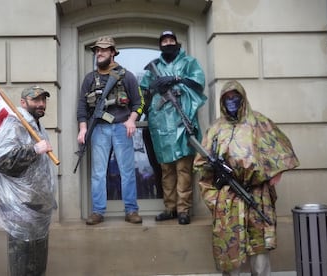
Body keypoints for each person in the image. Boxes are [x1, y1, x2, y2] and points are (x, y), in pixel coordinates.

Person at [193, 80, 300, 275]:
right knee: (230, 254)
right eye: (227, 98)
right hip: (228, 200)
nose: (231, 102)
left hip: (256, 195)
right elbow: (202, 167)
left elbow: (283, 150)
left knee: (260, 252)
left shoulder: (259, 122)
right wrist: (215, 200)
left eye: (235, 97)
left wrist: (276, 172)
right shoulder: (216, 129)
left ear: (242, 98)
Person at [140, 30, 207, 225]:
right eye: (164, 41)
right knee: (166, 170)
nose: (168, 43)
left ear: (176, 43)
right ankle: (169, 208)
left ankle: (183, 210)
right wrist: (155, 86)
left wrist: (176, 79)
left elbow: (198, 83)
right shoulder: (156, 66)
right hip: (161, 127)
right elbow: (144, 92)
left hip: (181, 124)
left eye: (171, 40)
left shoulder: (189, 62)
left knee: (183, 169)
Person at [0, 85, 57, 276]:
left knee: (38, 263)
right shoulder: (16, 124)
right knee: (22, 264)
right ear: (23, 102)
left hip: (37, 208)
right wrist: (34, 150)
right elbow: (1, 161)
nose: (41, 104)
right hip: (20, 209)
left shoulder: (37, 126)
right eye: (36, 100)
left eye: (43, 100)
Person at [77, 36, 143, 225]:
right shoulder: (90, 78)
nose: (100, 53)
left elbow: (139, 102)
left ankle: (131, 210)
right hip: (99, 129)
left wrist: (131, 120)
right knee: (98, 173)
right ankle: (98, 211)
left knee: (127, 172)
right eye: (97, 50)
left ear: (113, 52)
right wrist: (83, 128)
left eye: (104, 50)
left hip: (122, 128)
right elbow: (82, 105)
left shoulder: (126, 75)